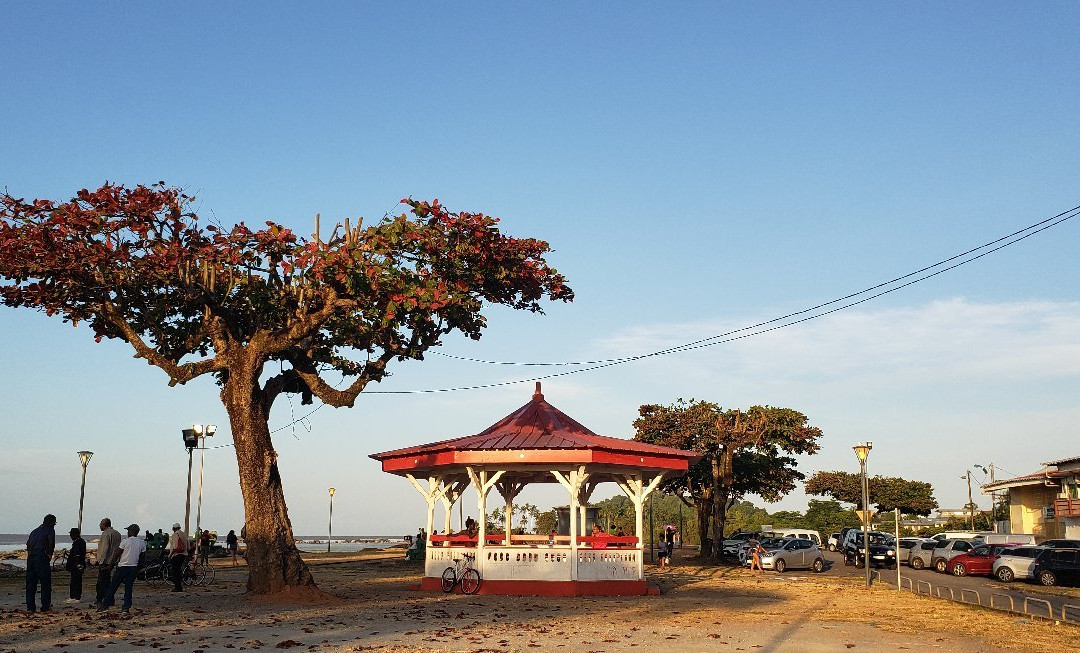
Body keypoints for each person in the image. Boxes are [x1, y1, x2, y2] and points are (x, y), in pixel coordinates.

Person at [100, 524, 147, 615]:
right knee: (128, 588)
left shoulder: (125, 541)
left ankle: (105, 605)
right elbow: (142, 557)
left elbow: (117, 554)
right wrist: (138, 568)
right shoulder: (142, 543)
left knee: (113, 586)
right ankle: (126, 608)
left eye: (128, 531)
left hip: (122, 566)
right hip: (133, 567)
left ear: (131, 531)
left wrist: (110, 565)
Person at [25, 514, 56, 613]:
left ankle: (30, 607)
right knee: (45, 583)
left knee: (31, 584)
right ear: (51, 523)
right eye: (54, 523)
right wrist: (50, 554)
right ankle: (45, 607)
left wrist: (30, 555)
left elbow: (28, 544)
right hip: (41, 556)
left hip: (31, 557)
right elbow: (51, 542)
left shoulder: (34, 531)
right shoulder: (50, 530)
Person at [94, 518, 122, 609]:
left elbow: (105, 548)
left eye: (100, 524)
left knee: (101, 582)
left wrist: (101, 561)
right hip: (113, 560)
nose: (99, 525)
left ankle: (102, 599)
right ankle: (109, 599)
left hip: (106, 561)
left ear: (104, 524)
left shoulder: (106, 534)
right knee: (107, 581)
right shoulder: (117, 533)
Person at [64, 527, 87, 603]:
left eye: (71, 534)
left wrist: (78, 565)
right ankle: (74, 596)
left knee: (76, 581)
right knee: (75, 580)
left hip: (76, 565)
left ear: (75, 534)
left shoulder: (78, 542)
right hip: (77, 564)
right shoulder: (79, 541)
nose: (70, 536)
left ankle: (75, 597)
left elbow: (77, 555)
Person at [166, 523, 189, 592]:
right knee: (178, 570)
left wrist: (170, 555)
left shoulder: (175, 535)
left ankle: (178, 587)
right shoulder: (184, 534)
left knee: (175, 571)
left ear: (173, 528)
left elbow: (175, 547)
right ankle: (179, 586)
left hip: (176, 555)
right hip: (184, 554)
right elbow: (188, 546)